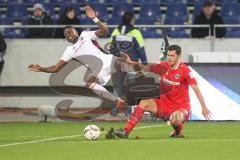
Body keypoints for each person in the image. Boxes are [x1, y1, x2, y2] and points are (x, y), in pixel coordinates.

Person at [28, 5, 143, 108]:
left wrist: (94, 18)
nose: (68, 34)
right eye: (66, 34)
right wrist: (41, 68)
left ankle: (136, 70)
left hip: (107, 60)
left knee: (120, 63)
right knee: (89, 83)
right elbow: (56, 68)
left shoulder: (85, 35)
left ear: (76, 32)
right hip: (98, 70)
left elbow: (105, 31)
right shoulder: (69, 50)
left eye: (70, 31)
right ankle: (117, 100)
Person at [109, 45, 212, 138]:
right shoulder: (163, 66)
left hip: (180, 107)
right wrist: (131, 62)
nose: (169, 58)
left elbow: (196, 89)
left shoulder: (185, 70)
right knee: (144, 102)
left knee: (175, 119)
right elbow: (144, 68)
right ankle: (125, 132)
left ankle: (177, 132)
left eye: (172, 56)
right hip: (163, 104)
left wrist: (204, 107)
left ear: (179, 57)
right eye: (168, 55)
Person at [110, 11, 147, 116]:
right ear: (131, 20)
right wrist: (144, 63)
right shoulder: (136, 32)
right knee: (131, 88)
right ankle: (129, 113)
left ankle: (114, 112)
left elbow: (111, 49)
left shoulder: (115, 32)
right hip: (131, 65)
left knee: (117, 88)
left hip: (117, 64)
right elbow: (141, 50)